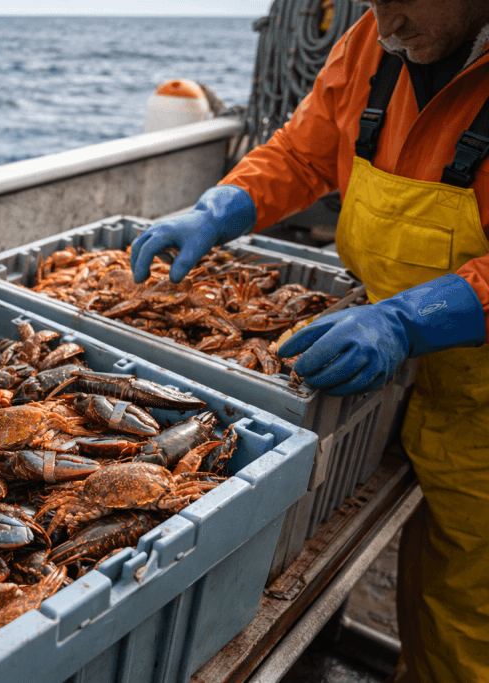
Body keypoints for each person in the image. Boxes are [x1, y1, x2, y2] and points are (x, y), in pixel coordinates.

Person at [129, 1, 489, 680]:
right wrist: (219, 207)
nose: (385, 27)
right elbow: (304, 151)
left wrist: (407, 320)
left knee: (467, 621)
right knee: (421, 591)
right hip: (380, 376)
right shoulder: (370, 41)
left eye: (403, 3)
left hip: (481, 413)